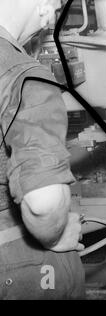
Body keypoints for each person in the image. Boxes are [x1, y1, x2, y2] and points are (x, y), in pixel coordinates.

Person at [0, 0, 85, 299]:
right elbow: (43, 203)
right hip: (15, 263)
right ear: (44, 6)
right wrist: (54, 234)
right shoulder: (23, 75)